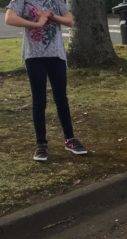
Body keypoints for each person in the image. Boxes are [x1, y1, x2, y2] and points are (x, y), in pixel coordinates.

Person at [5, 0, 87, 161]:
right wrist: (35, 24)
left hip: (56, 55)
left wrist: (52, 16)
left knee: (61, 98)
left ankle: (70, 139)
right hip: (34, 56)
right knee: (39, 100)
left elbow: (70, 20)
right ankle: (41, 144)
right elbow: (9, 18)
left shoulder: (56, 1)